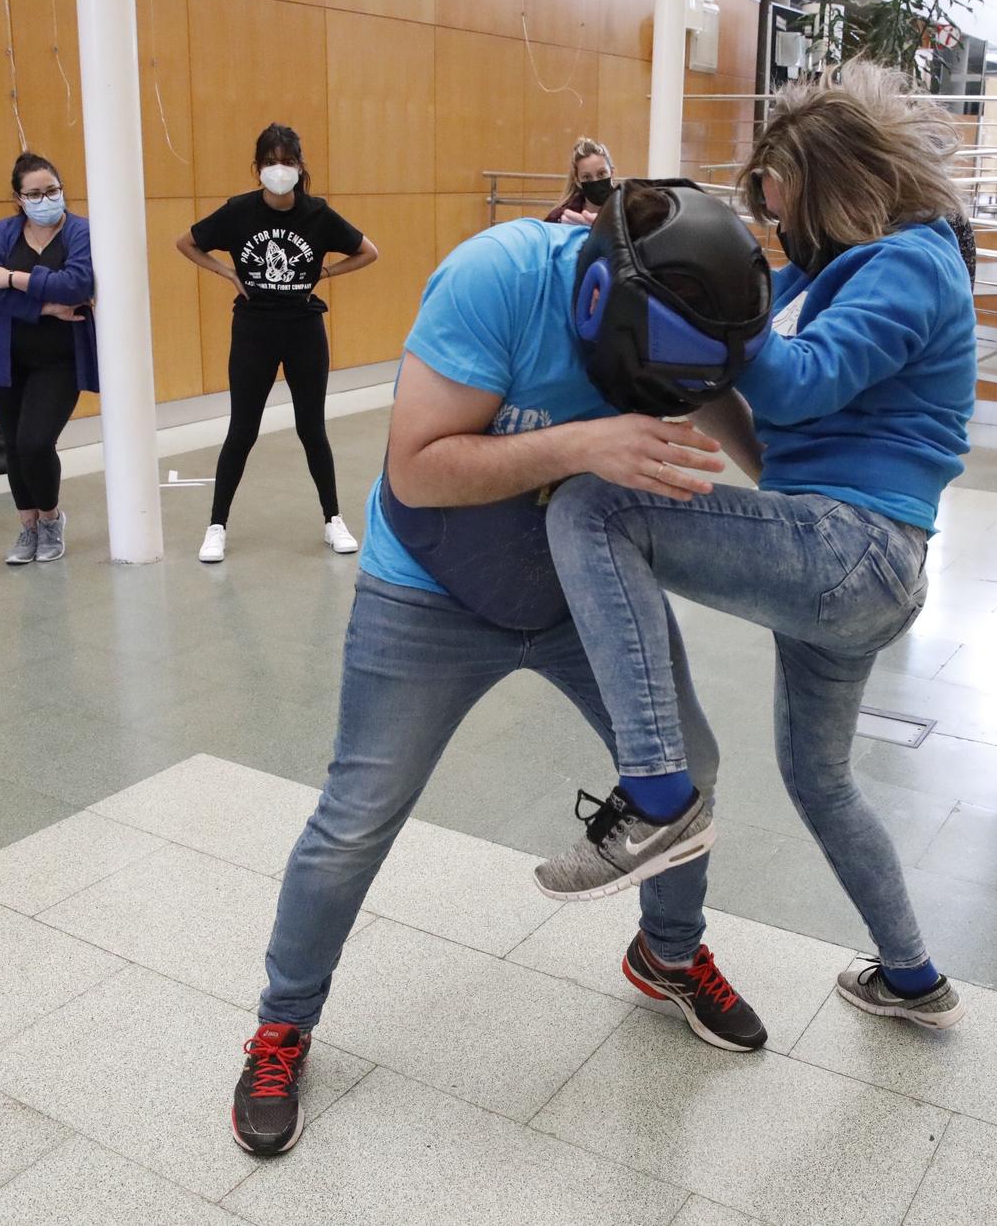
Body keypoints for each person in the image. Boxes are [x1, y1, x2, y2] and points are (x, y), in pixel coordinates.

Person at [231, 183, 775, 1160]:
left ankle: (666, 956)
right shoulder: (497, 279)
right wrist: (580, 444)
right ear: (600, 298)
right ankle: (282, 1023)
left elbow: (743, 423)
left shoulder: (683, 318)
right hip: (428, 587)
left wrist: (836, 509)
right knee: (354, 818)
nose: (676, 385)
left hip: (583, 595)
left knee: (686, 770)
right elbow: (415, 469)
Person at [534, 62, 977, 1033]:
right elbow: (750, 405)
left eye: (779, 202)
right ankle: (910, 977)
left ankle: (656, 795)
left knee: (590, 509)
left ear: (829, 179)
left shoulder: (912, 259)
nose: (774, 225)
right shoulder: (842, 268)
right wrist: (632, 282)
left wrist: (699, 296)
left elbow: (798, 384)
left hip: (852, 548)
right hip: (844, 558)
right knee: (817, 776)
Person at [175, 123, 378, 564]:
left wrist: (325, 275)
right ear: (257, 168)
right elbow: (187, 242)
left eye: (287, 162)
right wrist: (226, 273)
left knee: (312, 429)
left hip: (303, 329)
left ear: (300, 167)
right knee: (241, 430)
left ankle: (333, 519)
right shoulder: (238, 212)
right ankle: (216, 526)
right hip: (253, 330)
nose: (279, 170)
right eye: (270, 162)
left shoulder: (318, 214)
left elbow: (368, 251)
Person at [0, 152, 95, 565]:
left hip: (59, 359)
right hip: (3, 356)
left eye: (53, 191)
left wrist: (14, 278)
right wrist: (45, 308)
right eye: (35, 194)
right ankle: (28, 526)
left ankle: (51, 518)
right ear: (18, 198)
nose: (45, 199)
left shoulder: (81, 231)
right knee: (14, 444)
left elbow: (76, 283)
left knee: (35, 441)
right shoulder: (2, 234)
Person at [544, 137, 615, 226]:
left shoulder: (629, 212)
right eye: (587, 177)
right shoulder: (560, 218)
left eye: (601, 173)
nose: (595, 180)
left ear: (612, 173)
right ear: (577, 181)